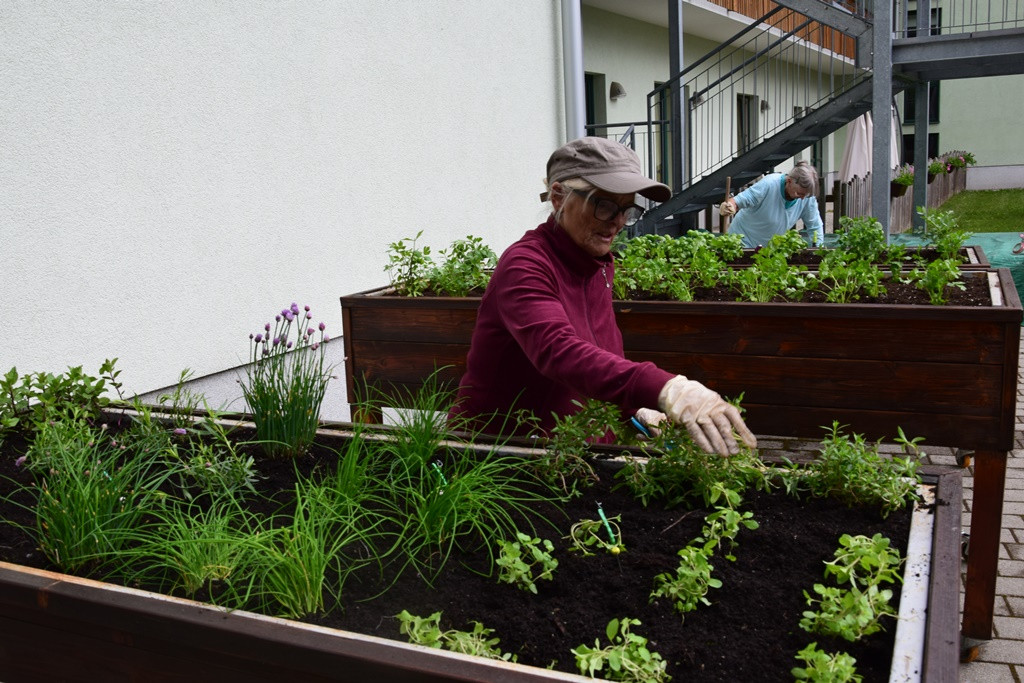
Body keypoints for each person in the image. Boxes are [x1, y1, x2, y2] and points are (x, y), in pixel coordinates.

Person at [449, 136, 756, 457]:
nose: (618, 222)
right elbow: (559, 351)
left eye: (627, 209)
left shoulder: (596, 263)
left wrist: (633, 408)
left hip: (576, 452)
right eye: (605, 205)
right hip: (501, 457)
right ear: (558, 198)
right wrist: (665, 387)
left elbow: (601, 349)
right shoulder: (525, 264)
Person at [719, 161, 824, 248]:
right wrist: (730, 206)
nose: (802, 198)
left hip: (769, 248)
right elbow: (741, 200)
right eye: (799, 193)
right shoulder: (769, 184)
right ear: (789, 181)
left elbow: (815, 225)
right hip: (743, 241)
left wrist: (819, 249)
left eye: (805, 195)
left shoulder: (807, 198)